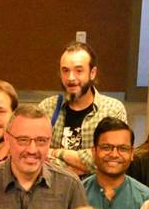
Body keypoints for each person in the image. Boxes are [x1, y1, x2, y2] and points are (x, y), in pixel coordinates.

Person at [38, 40, 129, 177]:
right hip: (56, 191)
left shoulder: (112, 110)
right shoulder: (47, 108)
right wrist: (79, 167)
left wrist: (57, 152)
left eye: (79, 71)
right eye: (65, 71)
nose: (71, 78)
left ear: (92, 73)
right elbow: (36, 154)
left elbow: (110, 160)